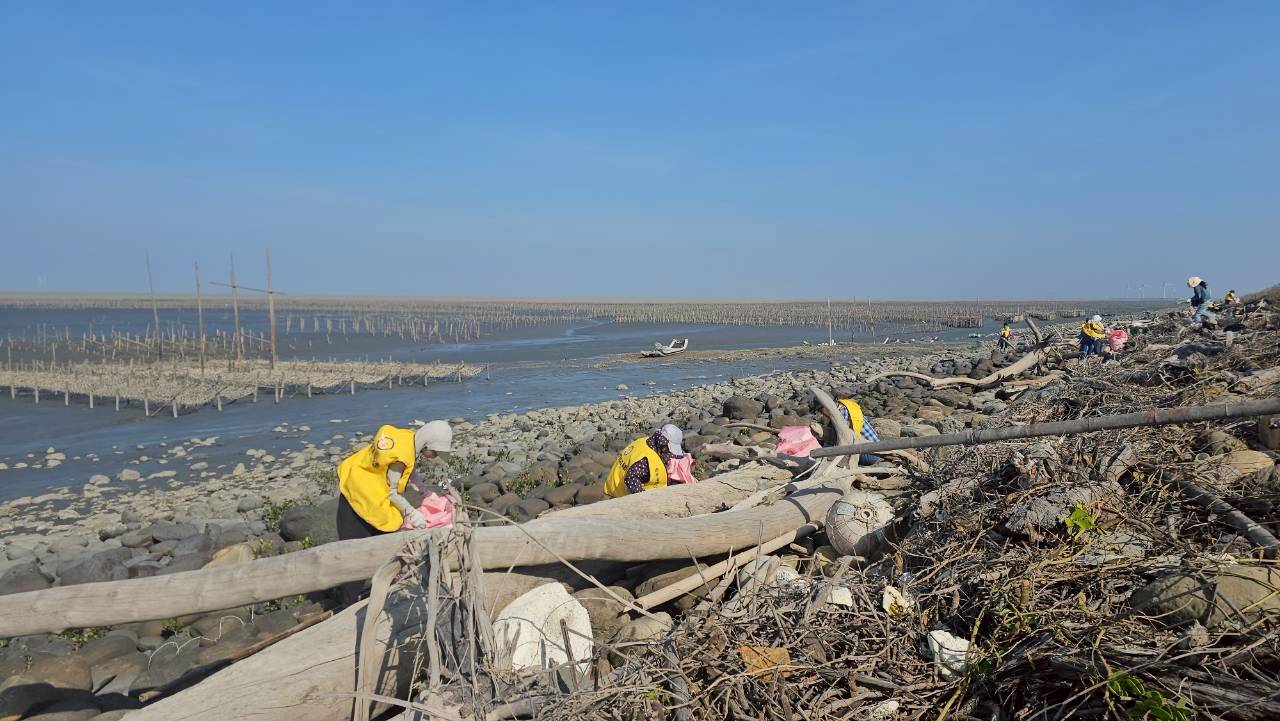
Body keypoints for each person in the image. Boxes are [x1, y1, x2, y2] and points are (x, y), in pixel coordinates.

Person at [336, 420, 452, 542]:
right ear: (426, 444)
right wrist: (412, 513)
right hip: (358, 492)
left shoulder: (407, 438)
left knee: (382, 530)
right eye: (435, 452)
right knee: (358, 543)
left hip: (356, 474)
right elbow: (392, 493)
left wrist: (424, 491)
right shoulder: (400, 459)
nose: (435, 456)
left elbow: (409, 469)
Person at [604, 424, 685, 497]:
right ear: (663, 444)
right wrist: (643, 498)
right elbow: (630, 477)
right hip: (618, 494)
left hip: (612, 483)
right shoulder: (646, 460)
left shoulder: (643, 441)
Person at [818, 397, 881, 465]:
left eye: (821, 411)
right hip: (876, 449)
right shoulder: (845, 407)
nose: (822, 414)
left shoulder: (841, 413)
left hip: (870, 454)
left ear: (826, 405)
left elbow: (843, 438)